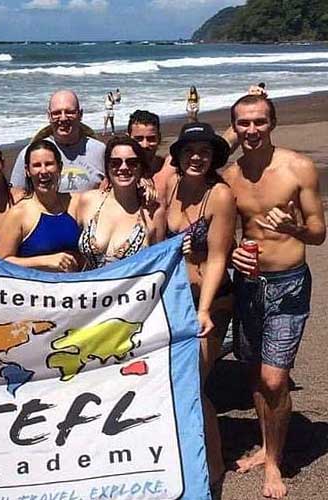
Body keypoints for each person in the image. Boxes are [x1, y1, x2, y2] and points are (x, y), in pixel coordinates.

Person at [223, 95, 325, 499]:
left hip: (288, 285)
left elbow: (319, 232)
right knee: (253, 370)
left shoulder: (297, 167)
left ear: (273, 122)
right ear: (235, 127)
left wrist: (296, 228)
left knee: (274, 377)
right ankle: (266, 445)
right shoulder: (230, 177)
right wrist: (231, 251)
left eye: (259, 122)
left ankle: (276, 465)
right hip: (248, 284)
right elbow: (223, 231)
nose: (251, 130)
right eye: (243, 123)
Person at [166, 122, 236, 489]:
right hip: (176, 302)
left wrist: (204, 308)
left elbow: (219, 257)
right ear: (177, 156)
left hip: (211, 302)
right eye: (189, 150)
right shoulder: (170, 187)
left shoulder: (219, 195)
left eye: (205, 152)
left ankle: (215, 465)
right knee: (172, 382)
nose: (197, 157)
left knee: (193, 383)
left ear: (214, 157)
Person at [75, 135, 165, 270]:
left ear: (141, 167)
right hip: (88, 289)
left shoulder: (153, 212)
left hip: (132, 290)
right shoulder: (88, 201)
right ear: (107, 167)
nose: (123, 168)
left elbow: (160, 264)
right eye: (115, 163)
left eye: (132, 162)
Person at [0, 140, 81, 272]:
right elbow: (2, 262)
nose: (43, 171)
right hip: (37, 290)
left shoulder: (74, 203)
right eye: (36, 165)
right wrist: (45, 261)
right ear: (27, 171)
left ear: (59, 167)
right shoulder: (19, 213)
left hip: (76, 289)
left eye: (49, 164)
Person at [9, 90, 106, 194]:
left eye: (69, 112)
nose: (63, 118)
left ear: (80, 114)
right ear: (49, 116)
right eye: (57, 113)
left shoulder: (100, 151)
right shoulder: (30, 153)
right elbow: (16, 195)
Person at [127, 109, 175, 202]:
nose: (145, 145)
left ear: (159, 138)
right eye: (138, 139)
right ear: (128, 139)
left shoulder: (169, 167)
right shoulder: (118, 173)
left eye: (151, 139)